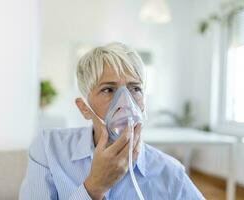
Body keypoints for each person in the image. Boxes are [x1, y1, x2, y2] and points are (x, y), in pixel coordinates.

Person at [19, 42, 204, 200]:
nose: (125, 102)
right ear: (84, 108)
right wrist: (94, 186)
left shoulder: (170, 173)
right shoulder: (49, 150)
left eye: (135, 89)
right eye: (108, 89)